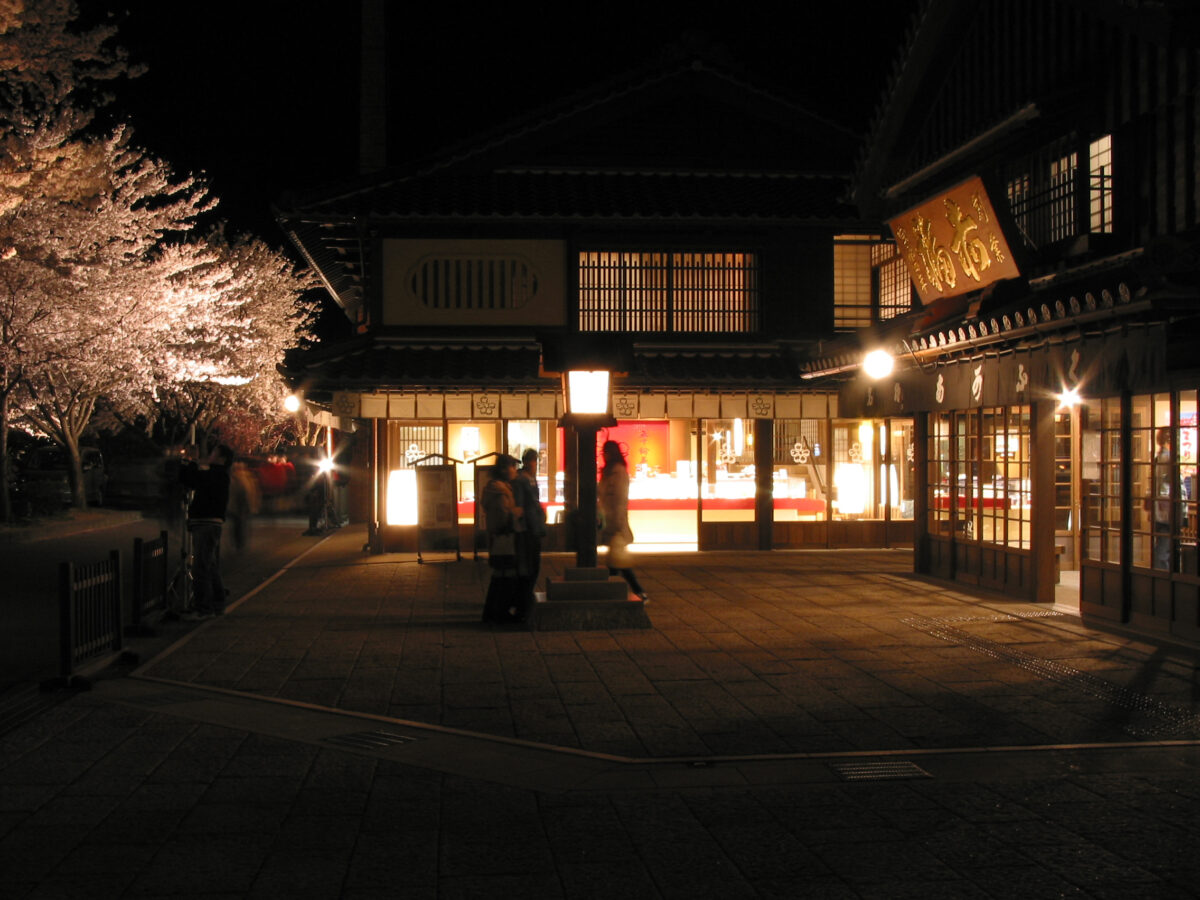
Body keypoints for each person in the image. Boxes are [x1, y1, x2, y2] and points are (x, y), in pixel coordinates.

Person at [179, 444, 233, 620]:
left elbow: (192, 479)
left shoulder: (217, 475)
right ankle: (218, 603)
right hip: (209, 523)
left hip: (206, 523)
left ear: (222, 459)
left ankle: (204, 608)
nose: (210, 455)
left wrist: (190, 461)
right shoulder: (219, 475)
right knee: (210, 565)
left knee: (201, 566)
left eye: (214, 453)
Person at [598, 439, 647, 601]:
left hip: (615, 524)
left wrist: (617, 523)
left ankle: (637, 592)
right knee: (616, 563)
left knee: (618, 563)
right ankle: (632, 592)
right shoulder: (611, 471)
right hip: (611, 522)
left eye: (606, 452)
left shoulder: (617, 472)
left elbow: (619, 500)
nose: (604, 455)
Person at [481, 455, 527, 623]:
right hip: (504, 539)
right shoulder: (500, 491)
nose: (515, 470)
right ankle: (500, 612)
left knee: (500, 575)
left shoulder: (499, 488)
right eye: (512, 467)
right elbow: (503, 517)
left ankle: (495, 611)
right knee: (505, 575)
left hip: (498, 539)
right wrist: (518, 512)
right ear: (503, 469)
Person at [512, 448, 546, 609]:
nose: (534, 464)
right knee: (529, 563)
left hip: (533, 526)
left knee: (532, 563)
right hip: (528, 527)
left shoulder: (529, 479)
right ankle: (524, 596)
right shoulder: (522, 480)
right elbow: (521, 505)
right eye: (532, 461)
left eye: (535, 460)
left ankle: (525, 595)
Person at [1150, 427, 1173, 570]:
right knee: (1162, 550)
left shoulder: (1161, 457)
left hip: (1162, 510)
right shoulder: (1165, 457)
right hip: (1164, 510)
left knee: (1162, 550)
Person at [227, 459, 260, 552]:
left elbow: (242, 492)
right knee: (241, 525)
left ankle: (239, 543)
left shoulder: (237, 478)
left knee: (238, 526)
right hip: (242, 505)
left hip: (239, 506)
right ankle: (240, 543)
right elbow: (251, 492)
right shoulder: (247, 477)